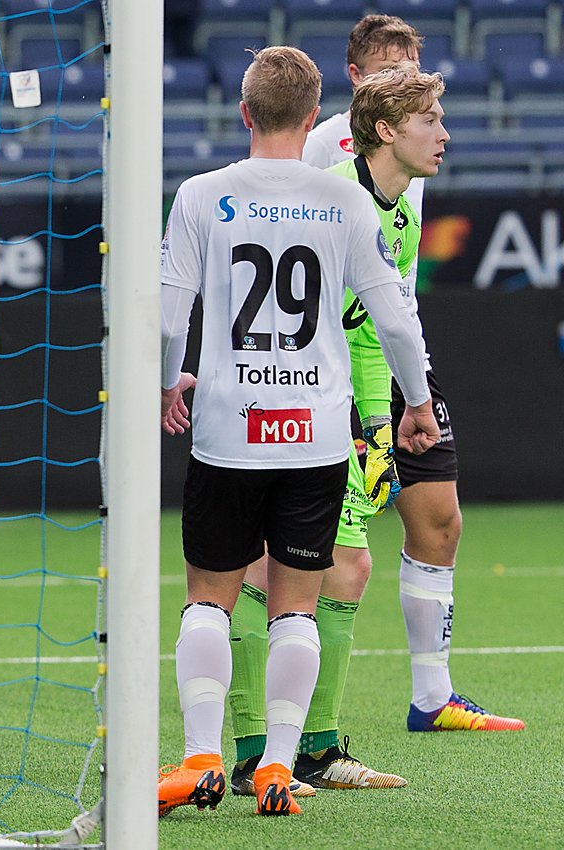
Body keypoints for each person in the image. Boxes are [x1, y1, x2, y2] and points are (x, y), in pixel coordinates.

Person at [226, 19, 525, 798]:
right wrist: (370, 411)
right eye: (431, 119)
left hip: (338, 397)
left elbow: (375, 325)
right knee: (273, 567)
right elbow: (343, 319)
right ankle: (263, 748)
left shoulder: (394, 205)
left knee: (342, 561)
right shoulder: (336, 192)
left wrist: (381, 419)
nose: (446, 135)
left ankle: (304, 746)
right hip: (283, 393)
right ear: (379, 121)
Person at [155, 46, 440, 818]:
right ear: (316, 118)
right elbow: (395, 315)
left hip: (227, 430)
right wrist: (417, 402)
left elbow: (167, 310)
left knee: (210, 601)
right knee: (295, 609)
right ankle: (279, 768)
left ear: (244, 113)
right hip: (315, 436)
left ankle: (203, 759)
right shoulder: (345, 200)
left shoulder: (201, 194)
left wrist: (164, 381)